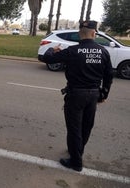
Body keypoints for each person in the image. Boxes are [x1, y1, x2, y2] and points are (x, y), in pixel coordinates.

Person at [43, 20, 113, 172]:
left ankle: (76, 162)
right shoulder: (104, 51)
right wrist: (104, 94)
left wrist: (51, 50)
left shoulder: (72, 51)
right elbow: (109, 76)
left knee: (74, 128)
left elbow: (47, 58)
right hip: (93, 94)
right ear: (94, 33)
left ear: (80, 34)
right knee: (86, 126)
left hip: (75, 95)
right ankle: (77, 151)